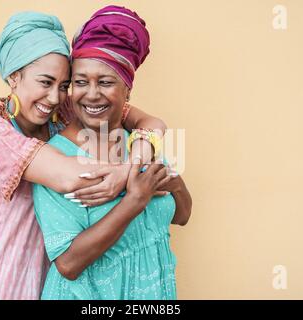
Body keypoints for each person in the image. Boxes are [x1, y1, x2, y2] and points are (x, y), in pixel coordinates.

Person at [0, 11, 168, 300]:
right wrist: (135, 179)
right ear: (14, 76)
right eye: (45, 82)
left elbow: (153, 124)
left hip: (63, 284)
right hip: (11, 277)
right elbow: (69, 176)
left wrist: (128, 167)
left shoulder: (62, 113)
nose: (54, 98)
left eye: (64, 86)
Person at [33, 5, 192, 300]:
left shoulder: (140, 144)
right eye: (80, 82)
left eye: (105, 82)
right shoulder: (55, 158)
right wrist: (134, 199)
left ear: (127, 91)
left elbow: (181, 216)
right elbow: (68, 264)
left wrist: (175, 183)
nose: (91, 94)